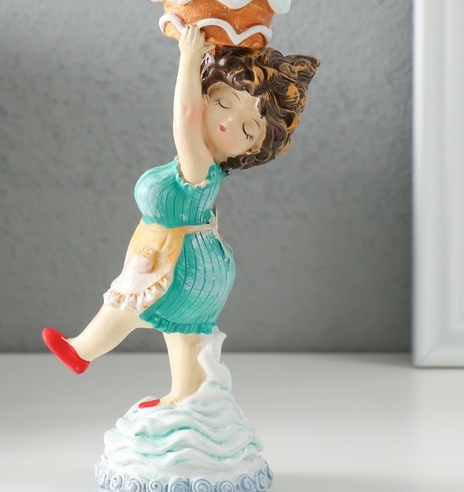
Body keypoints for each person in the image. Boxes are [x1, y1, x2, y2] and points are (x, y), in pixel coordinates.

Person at [42, 26, 319, 406]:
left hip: (178, 263)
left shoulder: (199, 163)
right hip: (197, 261)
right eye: (224, 102)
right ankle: (185, 395)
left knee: (125, 307)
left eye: (247, 128)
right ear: (208, 91)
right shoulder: (204, 166)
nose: (228, 122)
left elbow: (186, 117)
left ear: (253, 149)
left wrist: (188, 59)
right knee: (182, 333)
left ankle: (81, 351)